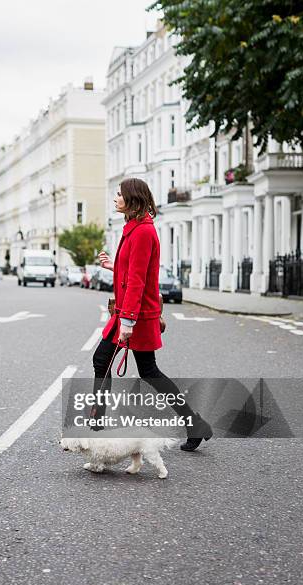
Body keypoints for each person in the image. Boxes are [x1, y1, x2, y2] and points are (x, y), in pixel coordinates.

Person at [92, 177, 213, 451]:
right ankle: (194, 423)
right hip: (128, 312)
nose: (115, 198)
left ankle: (97, 429)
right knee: (109, 363)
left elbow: (138, 281)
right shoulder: (134, 228)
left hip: (135, 315)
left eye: (119, 194)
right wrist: (115, 266)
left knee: (143, 370)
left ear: (132, 199)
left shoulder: (144, 232)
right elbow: (135, 271)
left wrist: (127, 322)